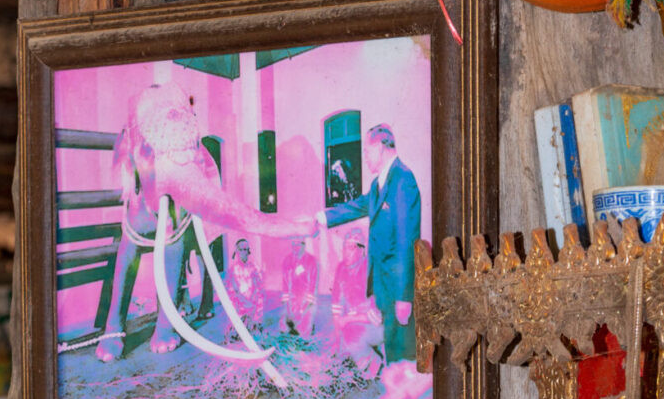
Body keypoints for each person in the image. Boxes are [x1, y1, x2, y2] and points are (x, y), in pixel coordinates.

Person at [93, 79, 305, 365]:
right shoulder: (135, 141)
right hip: (144, 201)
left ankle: (170, 322)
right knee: (128, 251)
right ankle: (113, 327)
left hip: (179, 210)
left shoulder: (192, 151)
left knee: (181, 251)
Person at [309, 123, 421, 370]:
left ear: (381, 148)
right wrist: (323, 217)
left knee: (401, 353)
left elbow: (406, 243)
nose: (365, 157)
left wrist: (404, 297)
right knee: (392, 348)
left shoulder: (403, 179)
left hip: (395, 287)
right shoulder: (377, 184)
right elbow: (356, 206)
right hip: (382, 286)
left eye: (367, 151)